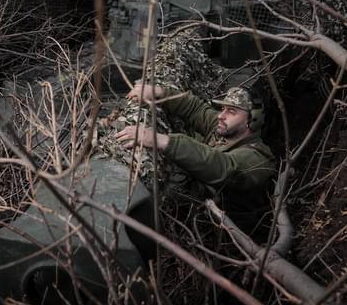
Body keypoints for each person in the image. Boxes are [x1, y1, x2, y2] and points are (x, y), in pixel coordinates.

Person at [115, 82, 276, 234]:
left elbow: (223, 167)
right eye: (223, 108)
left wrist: (164, 141)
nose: (221, 116)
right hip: (201, 216)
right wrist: (159, 92)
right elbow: (196, 109)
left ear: (253, 120)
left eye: (232, 111)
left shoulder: (258, 159)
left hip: (224, 236)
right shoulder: (227, 130)